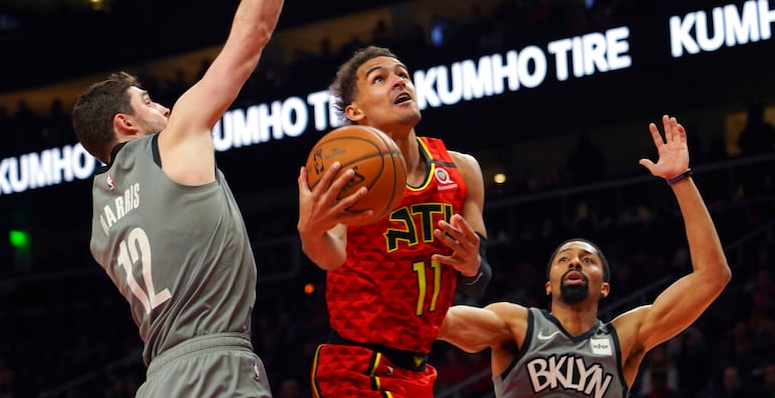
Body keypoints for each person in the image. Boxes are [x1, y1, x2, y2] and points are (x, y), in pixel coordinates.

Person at [69, 0, 295, 396]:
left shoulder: (100, 221)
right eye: (149, 101)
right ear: (125, 123)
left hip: (159, 380)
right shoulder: (171, 143)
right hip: (216, 369)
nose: (166, 109)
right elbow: (253, 36)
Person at [436, 115, 732, 397]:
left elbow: (712, 276)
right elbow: (438, 320)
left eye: (588, 260)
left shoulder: (626, 336)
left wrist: (681, 179)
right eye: (564, 259)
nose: (575, 261)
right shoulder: (516, 324)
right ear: (548, 285)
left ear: (605, 287)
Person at [296, 45, 493, 397]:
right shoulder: (346, 175)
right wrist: (309, 232)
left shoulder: (462, 169)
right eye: (380, 78)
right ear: (355, 111)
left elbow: (478, 283)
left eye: (402, 73)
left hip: (418, 370)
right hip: (355, 368)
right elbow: (330, 256)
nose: (398, 81)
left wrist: (472, 264)